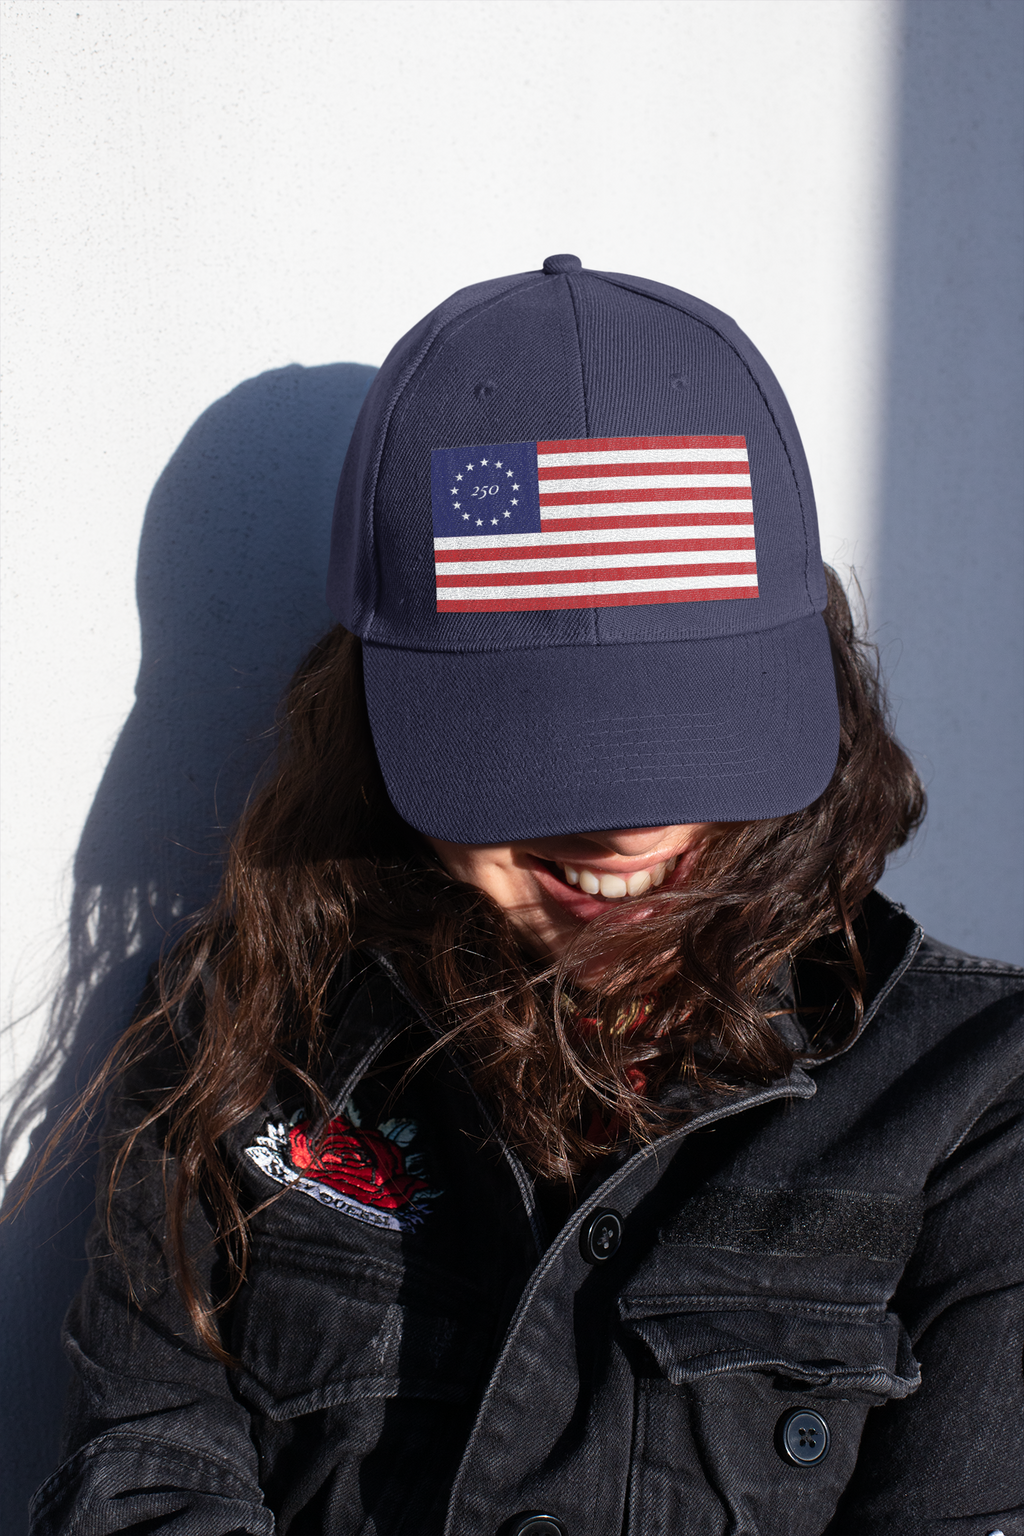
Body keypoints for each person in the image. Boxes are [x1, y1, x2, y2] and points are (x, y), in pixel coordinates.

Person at [27, 255, 1022, 1536]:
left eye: (687, 737)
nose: (629, 823)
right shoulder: (243, 1036)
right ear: (373, 722)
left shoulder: (971, 1102)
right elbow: (147, 1473)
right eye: (540, 747)